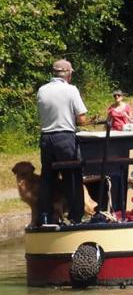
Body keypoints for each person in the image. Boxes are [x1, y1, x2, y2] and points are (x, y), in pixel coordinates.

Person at [36, 59, 87, 225]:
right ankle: (76, 217)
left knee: (47, 178)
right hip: (64, 138)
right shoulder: (71, 90)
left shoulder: (42, 90)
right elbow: (82, 119)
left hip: (45, 138)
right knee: (72, 177)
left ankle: (45, 216)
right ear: (69, 73)